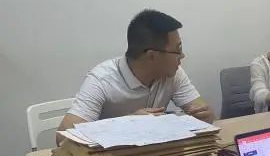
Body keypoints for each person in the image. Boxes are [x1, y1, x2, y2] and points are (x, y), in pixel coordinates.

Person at [57, 10, 214, 144]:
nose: (182, 56)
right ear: (152, 56)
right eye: (178, 50)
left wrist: (205, 115)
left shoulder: (173, 74)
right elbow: (63, 138)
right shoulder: (102, 79)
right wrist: (128, 123)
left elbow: (204, 113)